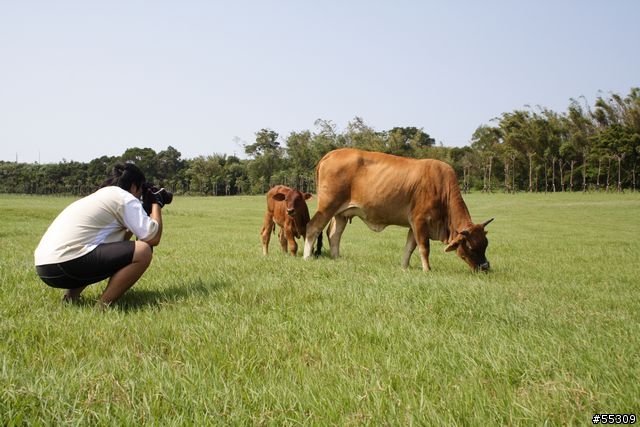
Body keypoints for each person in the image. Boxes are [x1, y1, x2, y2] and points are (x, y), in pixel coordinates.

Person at [34, 163, 164, 308]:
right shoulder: (125, 197)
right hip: (66, 264)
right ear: (134, 186)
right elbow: (153, 237)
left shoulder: (101, 196)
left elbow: (119, 246)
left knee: (89, 247)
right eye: (141, 190)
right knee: (143, 251)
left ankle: (69, 299)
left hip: (45, 267)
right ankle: (102, 307)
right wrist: (155, 203)